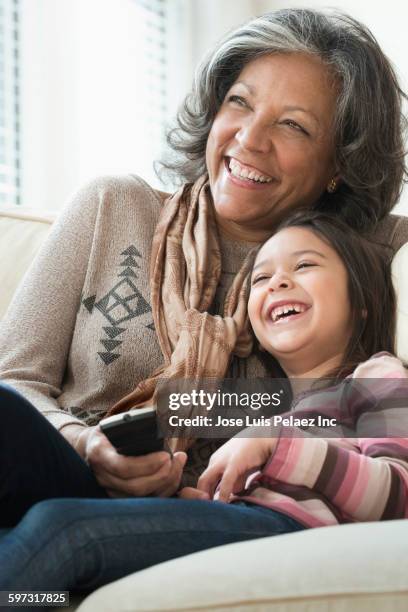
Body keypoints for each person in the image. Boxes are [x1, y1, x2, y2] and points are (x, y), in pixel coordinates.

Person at [1, 210, 407, 593]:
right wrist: (203, 503)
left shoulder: (377, 377)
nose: (277, 282)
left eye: (304, 266)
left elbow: (398, 495)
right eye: (261, 278)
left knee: (61, 528)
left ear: (363, 301)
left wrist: (275, 444)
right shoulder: (268, 405)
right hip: (244, 524)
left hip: (288, 533)